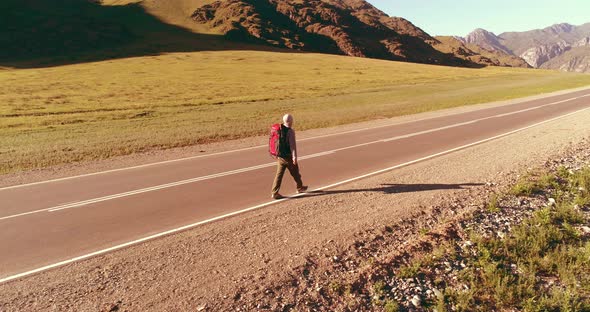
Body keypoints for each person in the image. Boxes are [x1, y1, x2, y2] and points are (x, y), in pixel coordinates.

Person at [271, 114, 308, 199]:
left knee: (278, 175)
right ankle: (300, 188)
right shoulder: (290, 131)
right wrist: (294, 157)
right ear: (291, 121)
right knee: (296, 173)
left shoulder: (279, 129)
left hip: (280, 157)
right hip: (288, 157)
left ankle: (274, 193)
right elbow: (292, 146)